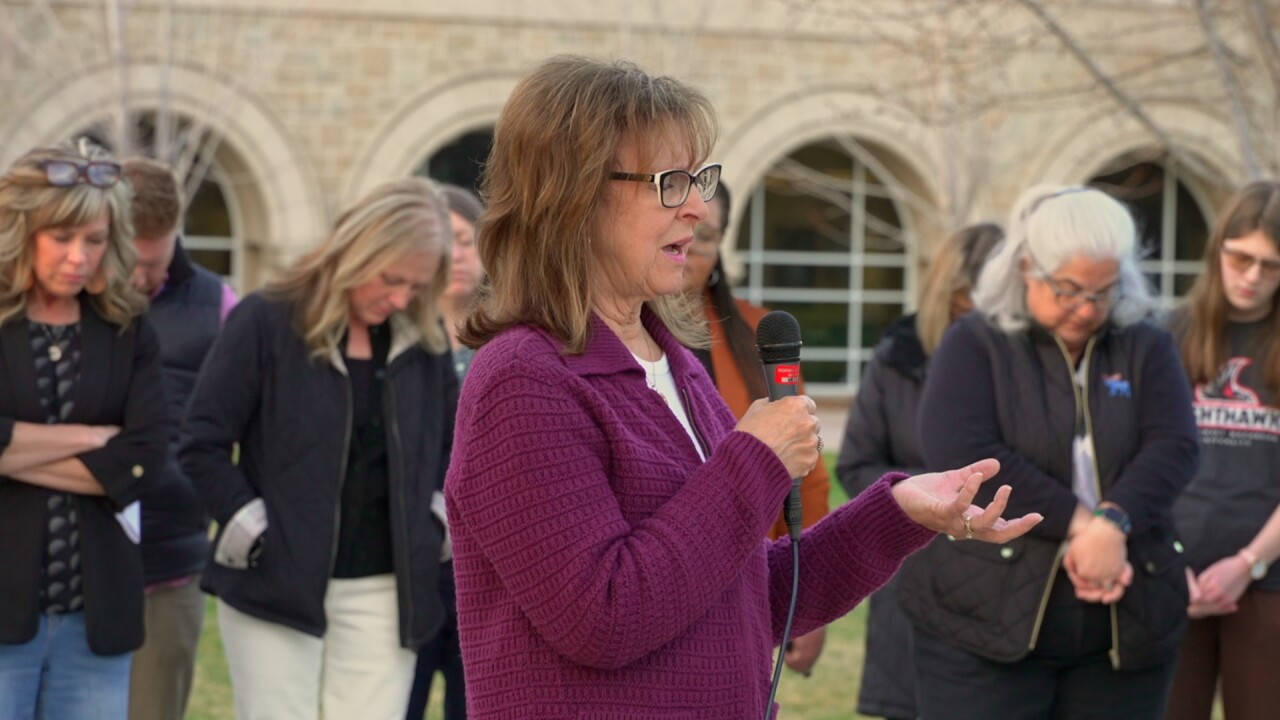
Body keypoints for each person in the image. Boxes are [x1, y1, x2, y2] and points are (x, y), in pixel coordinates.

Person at [444, 54, 1042, 719]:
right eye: (670, 182)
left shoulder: (679, 368)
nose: (699, 208)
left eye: (699, 178)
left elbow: (746, 589)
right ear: (571, 195)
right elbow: (603, 616)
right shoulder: (524, 380)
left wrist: (896, 512)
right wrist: (752, 460)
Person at [901, 184, 1201, 720]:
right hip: (984, 618)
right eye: (1067, 290)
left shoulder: (1147, 344)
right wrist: (1084, 526)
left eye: (1103, 292)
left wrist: (1113, 522)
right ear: (1025, 269)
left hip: (1126, 621)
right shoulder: (975, 343)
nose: (1086, 309)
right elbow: (965, 451)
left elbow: (1174, 445)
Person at [179, 177, 456, 720]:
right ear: (356, 250)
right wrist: (254, 532)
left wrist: (435, 524)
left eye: (416, 286)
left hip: (387, 585)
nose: (401, 298)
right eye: (391, 279)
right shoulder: (265, 320)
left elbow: (453, 447)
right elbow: (201, 444)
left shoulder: (426, 340)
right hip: (273, 580)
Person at [0, 138, 168, 719]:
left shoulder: (127, 328)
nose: (79, 256)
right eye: (62, 237)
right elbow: (121, 453)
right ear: (23, 232)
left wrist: (13, 446)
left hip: (97, 620)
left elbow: (146, 456)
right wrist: (92, 439)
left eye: (94, 240)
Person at [836, 222, 1003, 720]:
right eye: (960, 300)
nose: (970, 314)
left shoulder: (1026, 366)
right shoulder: (898, 357)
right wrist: (924, 496)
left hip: (1004, 581)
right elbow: (857, 463)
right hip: (915, 580)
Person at [680, 181, 831, 675]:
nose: (690, 248)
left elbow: (805, 471)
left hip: (750, 575)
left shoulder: (759, 335)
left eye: (707, 237)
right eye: (683, 229)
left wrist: (808, 596)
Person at [120, 157, 237, 720]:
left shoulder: (220, 306)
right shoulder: (65, 299)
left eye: (156, 259)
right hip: (69, 568)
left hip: (171, 565)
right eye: (134, 260)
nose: (143, 276)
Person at [1166, 181, 1280, 720]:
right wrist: (1166, 558)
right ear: (1219, 250)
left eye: (1271, 265)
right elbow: (1134, 458)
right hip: (1171, 576)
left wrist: (1249, 563)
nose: (1253, 277)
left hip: (1269, 582)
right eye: (1242, 258)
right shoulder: (1168, 334)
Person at [405, 182, 483, 720]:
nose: (455, 255)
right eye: (442, 241)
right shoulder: (393, 335)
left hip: (479, 567)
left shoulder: (508, 341)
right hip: (407, 564)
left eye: (465, 240)